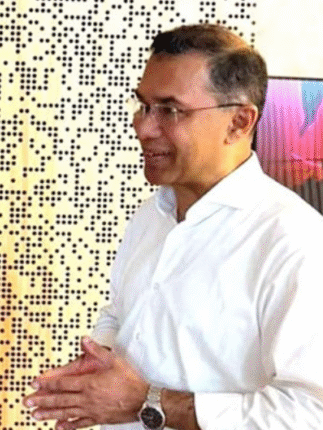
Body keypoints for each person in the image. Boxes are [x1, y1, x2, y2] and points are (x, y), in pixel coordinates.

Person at [23, 23, 323, 430]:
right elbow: (122, 315)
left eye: (170, 110)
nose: (143, 128)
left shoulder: (296, 242)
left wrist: (149, 404)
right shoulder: (152, 216)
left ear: (239, 122)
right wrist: (99, 365)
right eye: (143, 106)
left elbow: (311, 413)